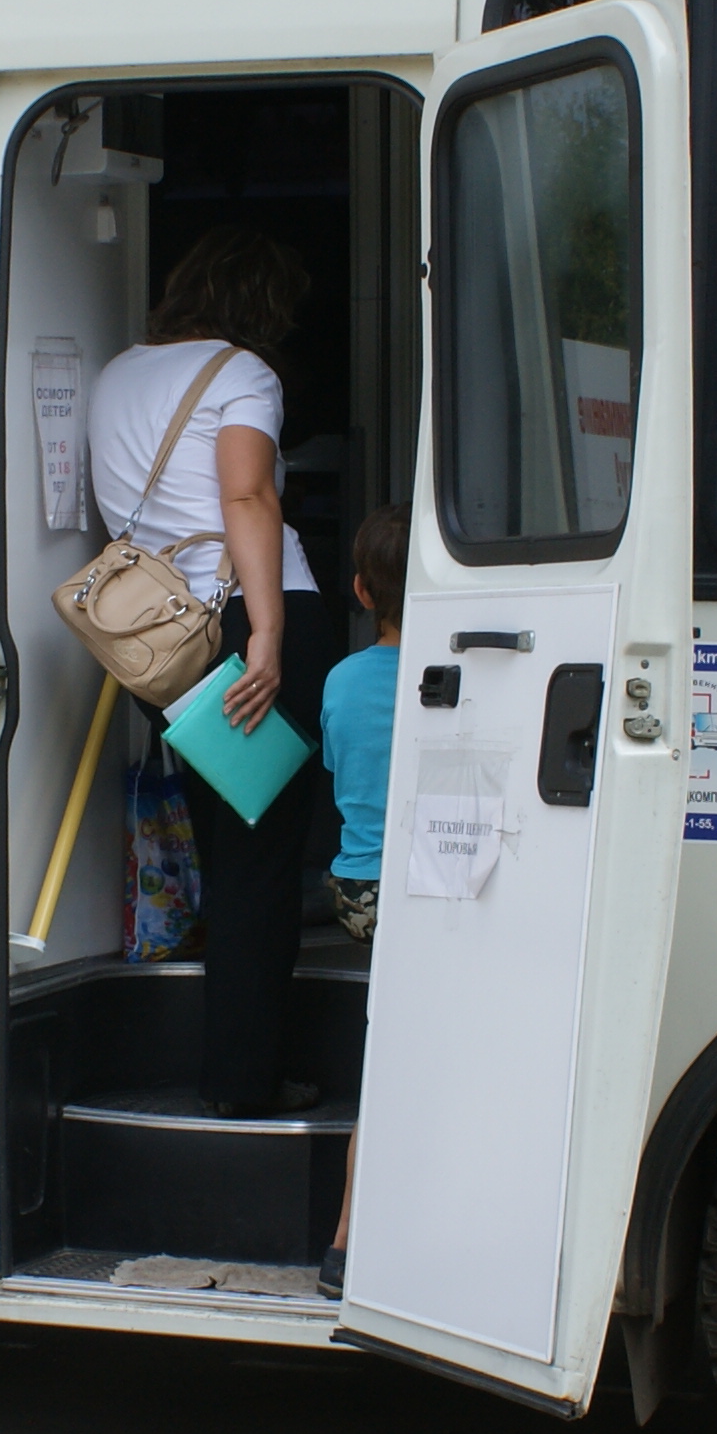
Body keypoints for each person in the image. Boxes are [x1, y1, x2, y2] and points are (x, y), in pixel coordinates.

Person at [90, 227, 339, 1120]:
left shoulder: (118, 374)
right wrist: (267, 630)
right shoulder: (244, 373)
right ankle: (243, 1084)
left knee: (229, 851)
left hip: (160, 640)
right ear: (264, 305)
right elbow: (246, 493)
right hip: (244, 623)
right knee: (262, 865)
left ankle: (235, 1071)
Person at [314, 503, 407, 1297]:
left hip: (358, 891)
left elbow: (341, 773)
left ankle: (349, 1241)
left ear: (361, 592)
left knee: (392, 1051)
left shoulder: (342, 680)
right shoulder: (469, 678)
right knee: (406, 1067)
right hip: (425, 889)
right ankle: (354, 1240)